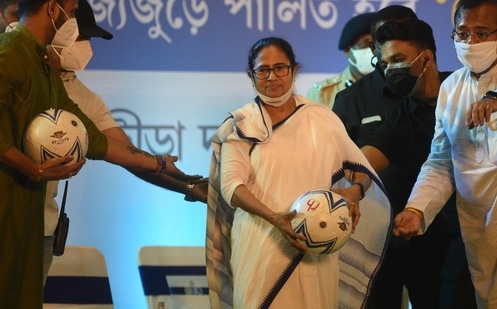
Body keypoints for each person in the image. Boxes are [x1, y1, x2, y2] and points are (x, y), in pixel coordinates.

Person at [0, 0, 202, 306]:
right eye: (72, 15)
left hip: (34, 221)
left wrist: (165, 168)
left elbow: (101, 143)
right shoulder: (11, 51)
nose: (82, 42)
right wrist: (34, 169)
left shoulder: (55, 80)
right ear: (54, 11)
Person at [205, 36, 391, 308]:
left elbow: (359, 166)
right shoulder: (242, 123)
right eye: (262, 70)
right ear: (251, 75)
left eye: (280, 67)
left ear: (294, 70)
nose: (272, 76)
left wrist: (355, 191)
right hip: (260, 244)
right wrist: (275, 218)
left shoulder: (321, 118)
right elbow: (232, 187)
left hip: (317, 245)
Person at [393, 0, 497, 308]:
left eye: (481, 33)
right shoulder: (451, 88)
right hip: (482, 233)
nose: (471, 43)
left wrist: (495, 100)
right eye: (463, 33)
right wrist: (417, 209)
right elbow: (440, 162)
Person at [363, 18, 476, 309]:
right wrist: (345, 186)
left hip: (486, 229)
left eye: (398, 60)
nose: (390, 70)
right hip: (431, 242)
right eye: (385, 63)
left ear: (425, 58)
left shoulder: (468, 91)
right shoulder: (403, 115)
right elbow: (365, 161)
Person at [307, 12, 376, 108]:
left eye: (377, 43)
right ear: (347, 51)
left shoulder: (396, 88)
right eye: (365, 44)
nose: (373, 49)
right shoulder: (323, 94)